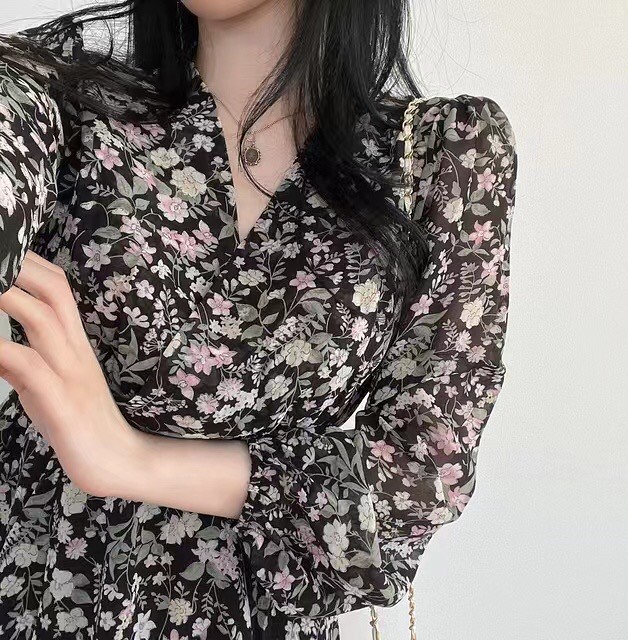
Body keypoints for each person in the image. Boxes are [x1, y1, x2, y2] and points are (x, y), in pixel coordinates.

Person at [0, 1, 518, 639]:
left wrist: (130, 459)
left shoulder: (440, 156)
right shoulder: (61, 91)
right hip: (40, 594)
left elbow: (419, 477)